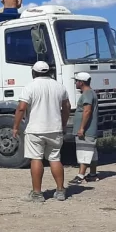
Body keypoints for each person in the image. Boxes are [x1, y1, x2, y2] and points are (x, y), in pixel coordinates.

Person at [12, 61, 71, 202]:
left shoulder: (30, 87)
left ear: (33, 72)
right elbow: (67, 106)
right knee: (55, 159)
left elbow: (21, 108)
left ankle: (37, 194)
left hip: (36, 129)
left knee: (36, 159)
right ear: (49, 72)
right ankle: (60, 191)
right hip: (55, 128)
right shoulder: (59, 86)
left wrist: (15, 126)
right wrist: (63, 123)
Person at [70, 72, 99, 184]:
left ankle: (80, 176)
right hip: (90, 129)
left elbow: (87, 111)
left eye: (76, 81)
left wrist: (81, 128)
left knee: (84, 151)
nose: (75, 83)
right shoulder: (91, 93)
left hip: (87, 130)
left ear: (81, 82)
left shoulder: (87, 94)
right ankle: (92, 174)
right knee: (92, 152)